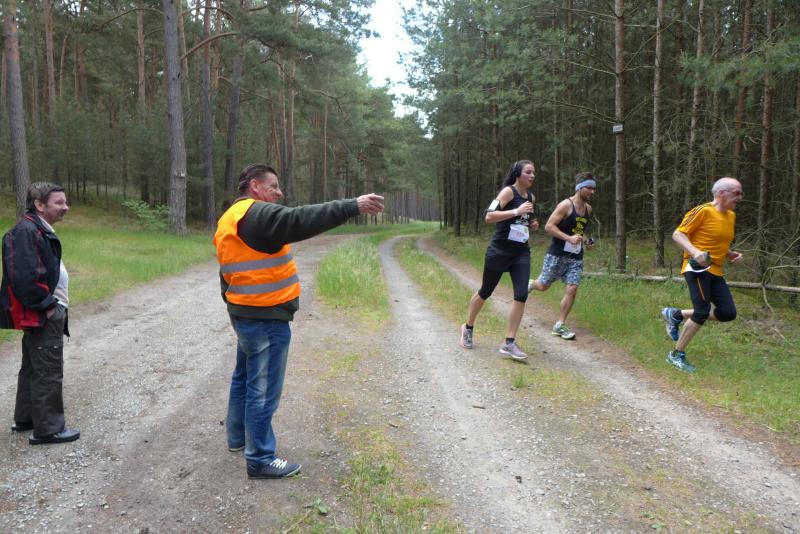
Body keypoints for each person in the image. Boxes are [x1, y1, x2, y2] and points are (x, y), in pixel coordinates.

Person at [214, 164, 384, 479]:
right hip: (266, 318)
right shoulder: (257, 213)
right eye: (274, 186)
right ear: (255, 186)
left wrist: (235, 306)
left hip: (245, 313)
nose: (280, 193)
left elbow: (227, 273)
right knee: (263, 389)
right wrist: (352, 206)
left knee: (245, 377)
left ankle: (238, 438)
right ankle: (260, 459)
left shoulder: (230, 217)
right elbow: (298, 219)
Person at [1, 182, 80, 445]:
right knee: (48, 369)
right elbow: (24, 277)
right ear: (39, 204)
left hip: (41, 312)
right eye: (59, 202)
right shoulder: (26, 231)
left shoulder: (36, 229)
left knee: (33, 366)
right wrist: (47, 305)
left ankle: (27, 419)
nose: (66, 207)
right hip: (42, 312)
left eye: (65, 202)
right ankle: (48, 429)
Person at [660, 177, 744, 372]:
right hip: (696, 268)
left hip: (716, 270)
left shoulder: (730, 216)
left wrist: (730, 254)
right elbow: (678, 234)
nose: (740, 197)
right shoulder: (702, 211)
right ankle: (676, 355)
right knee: (701, 311)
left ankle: (675, 314)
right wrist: (695, 252)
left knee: (727, 313)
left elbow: (717, 240)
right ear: (722, 193)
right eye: (736, 193)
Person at [459, 160, 540, 360]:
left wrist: (532, 223)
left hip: (521, 252)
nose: (532, 176)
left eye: (534, 173)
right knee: (485, 291)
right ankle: (468, 327)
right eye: (528, 172)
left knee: (521, 295)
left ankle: (509, 342)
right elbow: (489, 216)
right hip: (500, 251)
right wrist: (516, 211)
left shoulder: (531, 197)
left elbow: (526, 220)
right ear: (517, 174)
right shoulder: (507, 192)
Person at [528, 172, 597, 340]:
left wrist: (587, 242)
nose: (592, 192)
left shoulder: (588, 209)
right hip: (557, 254)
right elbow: (549, 226)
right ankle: (531, 284)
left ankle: (560, 324)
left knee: (572, 288)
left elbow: (579, 231)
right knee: (543, 286)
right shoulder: (566, 205)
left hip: (575, 256)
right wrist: (568, 238)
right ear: (580, 188)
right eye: (589, 188)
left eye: (594, 189)